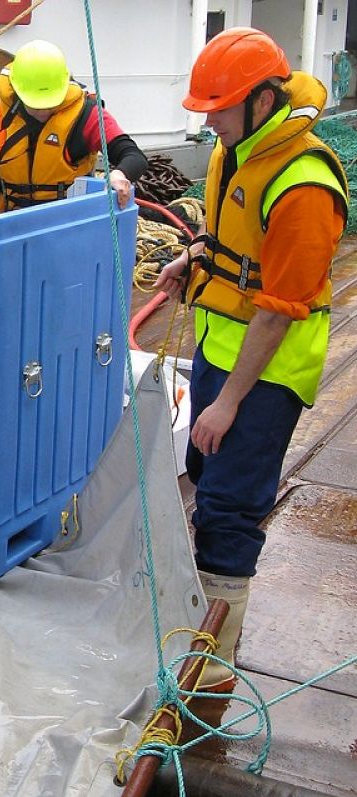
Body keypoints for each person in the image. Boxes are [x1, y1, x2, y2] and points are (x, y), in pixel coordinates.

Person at [155, 28, 347, 690]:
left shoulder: (303, 185)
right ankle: (199, 623)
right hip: (218, 342)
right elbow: (223, 231)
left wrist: (228, 402)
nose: (207, 120)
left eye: (219, 107)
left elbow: (276, 311)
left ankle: (212, 667)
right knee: (201, 472)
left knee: (230, 504)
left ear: (263, 100)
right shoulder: (233, 147)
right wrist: (190, 258)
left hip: (266, 371)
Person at [0, 39, 147, 213]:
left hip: (66, 222)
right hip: (7, 222)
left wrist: (120, 174)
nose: (42, 111)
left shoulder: (86, 114)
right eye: (34, 103)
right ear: (15, 88)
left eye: (51, 102)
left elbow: (134, 156)